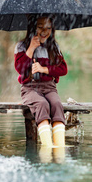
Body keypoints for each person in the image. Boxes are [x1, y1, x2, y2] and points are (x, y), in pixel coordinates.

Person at [14, 14, 68, 147]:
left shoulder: (53, 47)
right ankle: (48, 148)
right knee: (42, 104)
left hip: (49, 87)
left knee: (56, 104)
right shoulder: (22, 46)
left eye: (48, 28)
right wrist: (31, 48)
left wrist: (44, 69)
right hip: (30, 88)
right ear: (33, 27)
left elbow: (63, 69)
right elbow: (20, 68)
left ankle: (59, 149)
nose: (45, 32)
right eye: (40, 27)